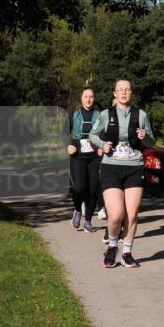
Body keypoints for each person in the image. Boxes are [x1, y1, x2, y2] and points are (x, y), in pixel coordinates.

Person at [89, 79, 155, 269]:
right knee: (116, 215)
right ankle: (111, 246)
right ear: (115, 93)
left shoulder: (141, 115)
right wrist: (103, 144)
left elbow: (151, 142)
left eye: (127, 89)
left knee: (132, 214)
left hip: (134, 166)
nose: (124, 93)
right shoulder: (104, 115)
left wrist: (145, 137)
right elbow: (93, 135)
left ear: (131, 93)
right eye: (120, 90)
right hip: (111, 166)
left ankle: (127, 252)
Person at [67, 88, 101, 233]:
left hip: (94, 157)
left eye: (91, 97)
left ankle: (88, 221)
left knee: (93, 189)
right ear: (81, 98)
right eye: (86, 97)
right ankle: (77, 210)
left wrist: (103, 145)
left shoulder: (100, 115)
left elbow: (106, 132)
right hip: (78, 156)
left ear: (94, 99)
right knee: (79, 188)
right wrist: (67, 146)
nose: (88, 99)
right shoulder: (74, 115)